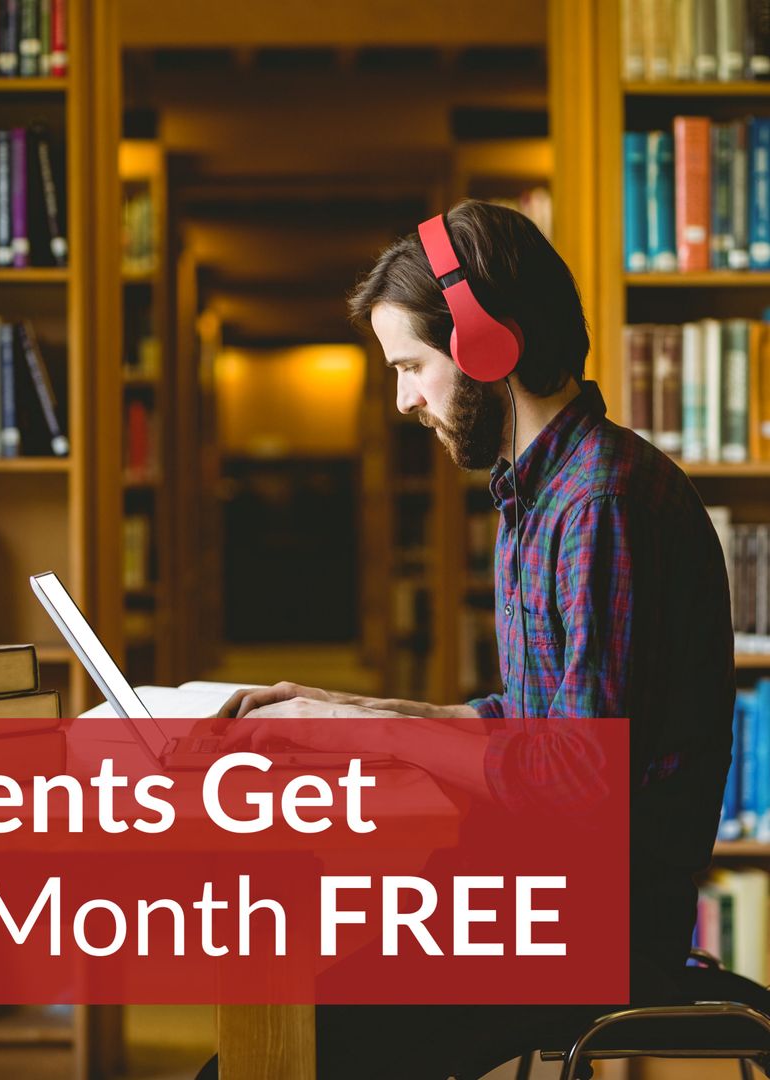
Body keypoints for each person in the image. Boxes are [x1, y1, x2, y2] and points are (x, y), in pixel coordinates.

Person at [206, 200, 736, 1078]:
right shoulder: (540, 492)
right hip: (534, 897)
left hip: (584, 926)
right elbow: (528, 723)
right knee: (280, 1009)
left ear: (488, 347)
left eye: (413, 366)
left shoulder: (601, 502)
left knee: (277, 1049)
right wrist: (344, 710)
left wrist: (364, 735)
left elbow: (577, 778)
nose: (405, 399)